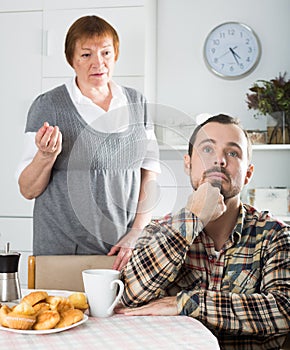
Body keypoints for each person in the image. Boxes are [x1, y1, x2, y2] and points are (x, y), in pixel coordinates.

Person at [116, 114, 290, 349]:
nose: (219, 160)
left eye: (232, 153)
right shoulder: (159, 231)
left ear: (248, 173)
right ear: (187, 163)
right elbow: (130, 295)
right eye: (207, 149)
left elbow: (283, 309)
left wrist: (189, 303)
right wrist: (192, 219)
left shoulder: (275, 235)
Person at [17, 15, 160, 271]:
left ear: (115, 54)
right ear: (71, 60)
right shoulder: (48, 105)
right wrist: (45, 156)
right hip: (61, 254)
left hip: (119, 252)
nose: (98, 63)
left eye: (106, 52)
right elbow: (28, 189)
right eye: (86, 55)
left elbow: (149, 174)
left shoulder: (137, 103)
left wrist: (137, 232)